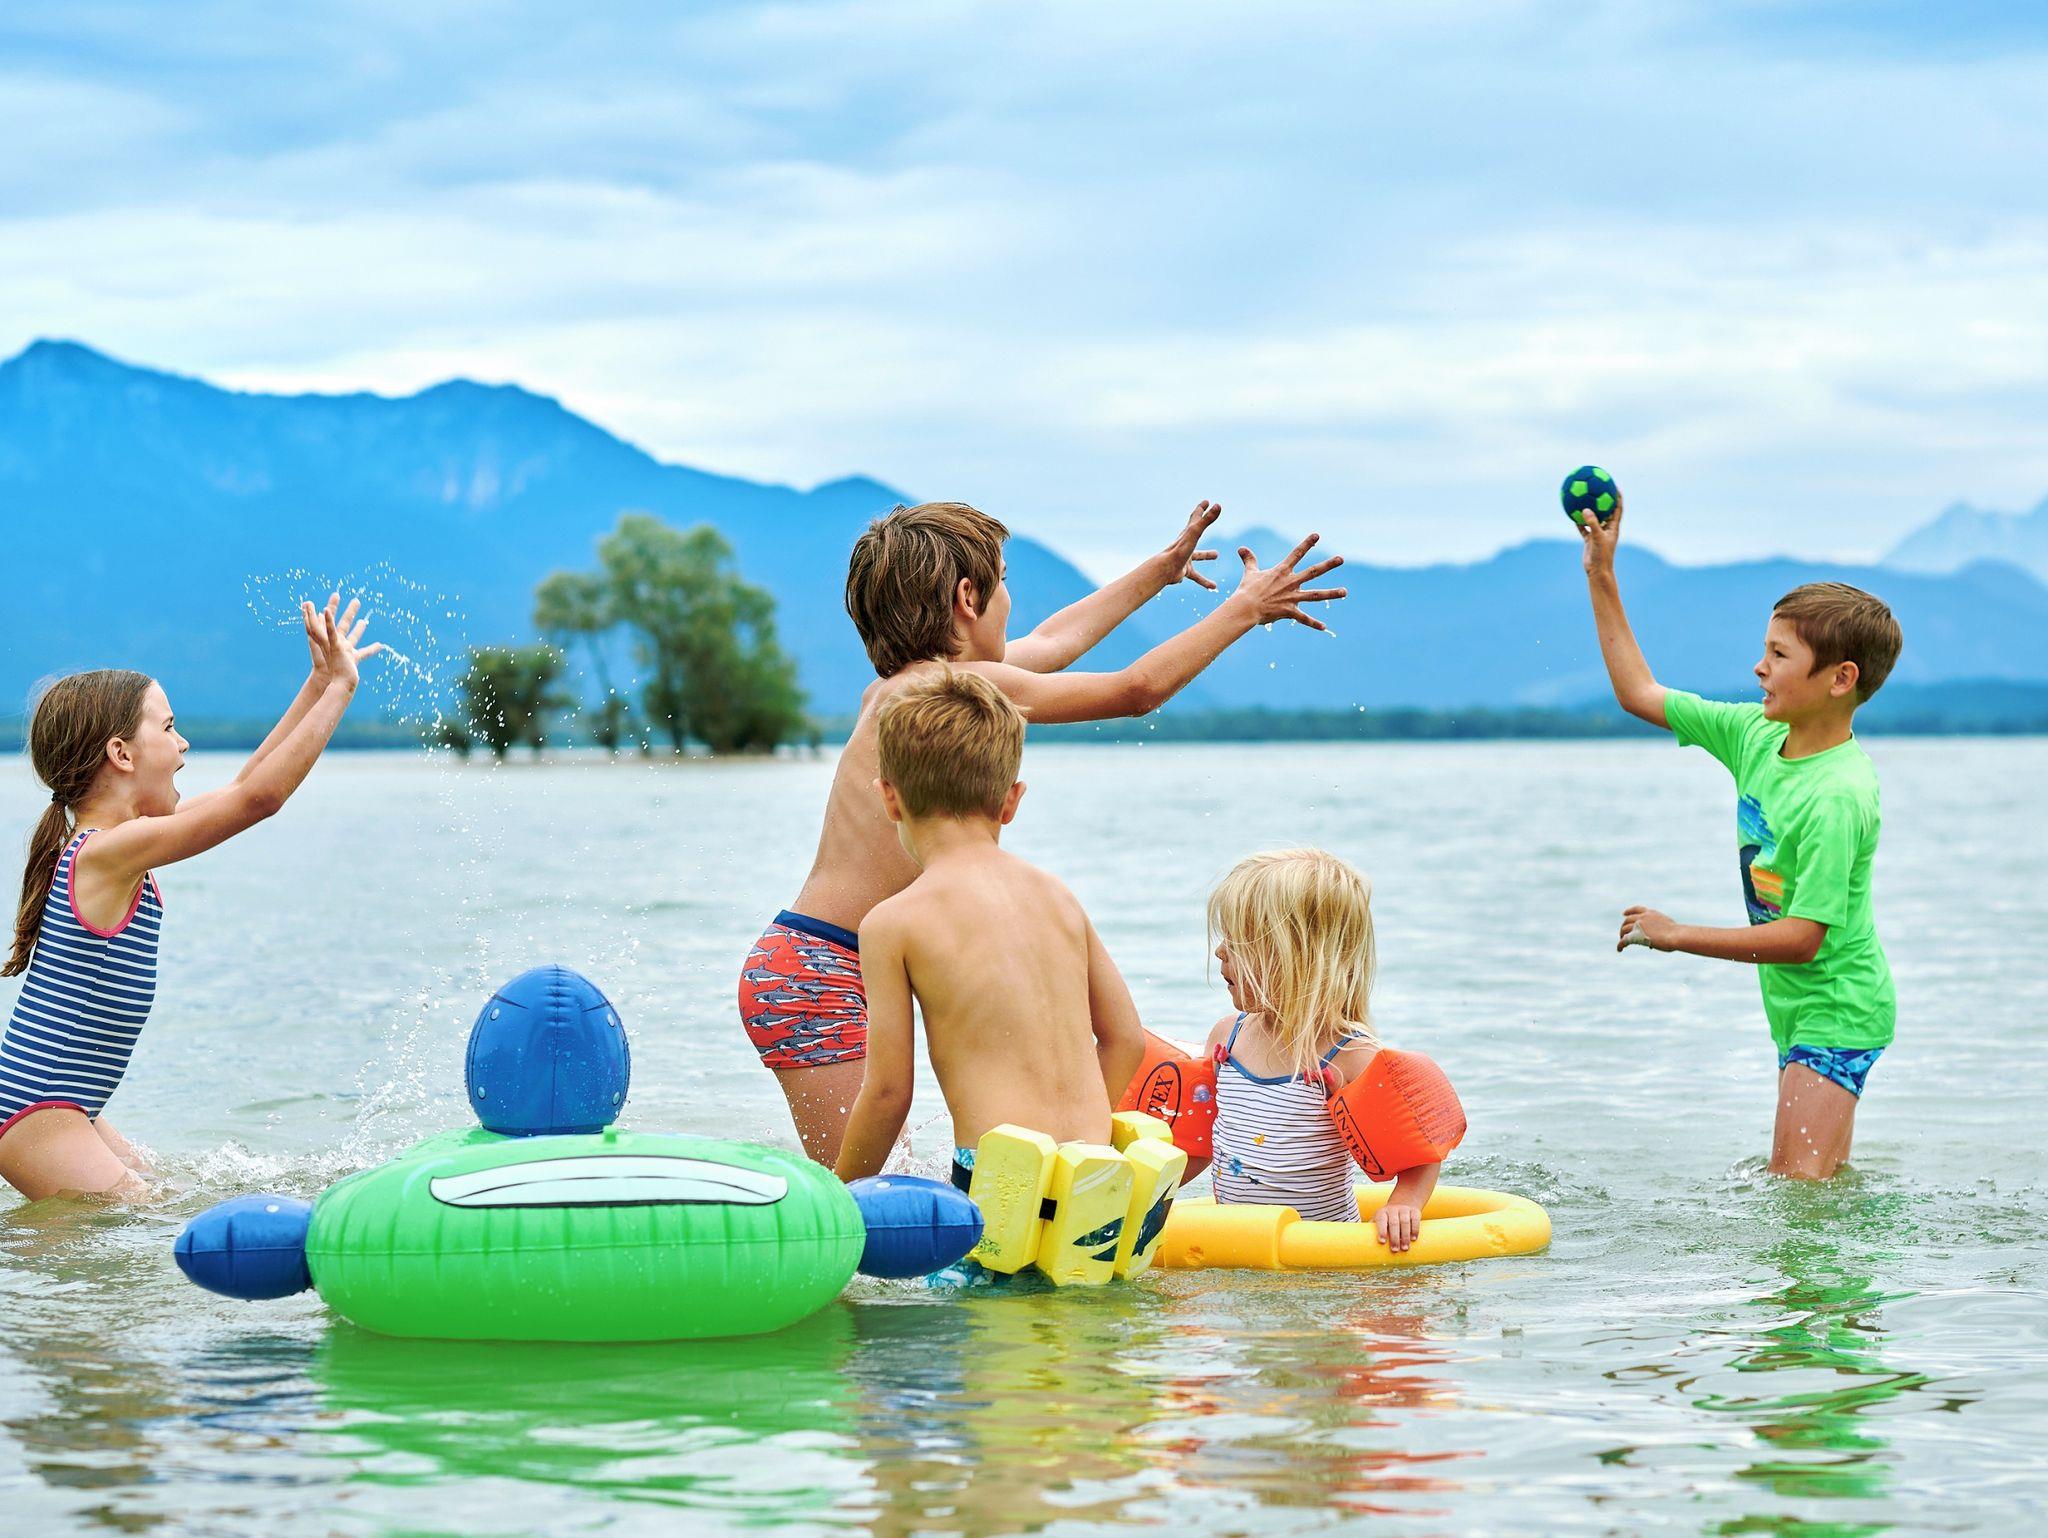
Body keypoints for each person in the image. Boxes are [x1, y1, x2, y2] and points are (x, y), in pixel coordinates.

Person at [744, 498, 1346, 1162]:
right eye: (1004, 582)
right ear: (968, 598)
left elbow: (1058, 642)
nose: (1011, 601)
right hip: (820, 971)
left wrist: (1159, 572)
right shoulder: (938, 693)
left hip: (816, 960)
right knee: (856, 1196)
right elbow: (1137, 690)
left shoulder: (907, 689)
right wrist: (1244, 609)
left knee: (883, 1180)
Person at [0, 595, 381, 1201]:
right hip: (39, 1111)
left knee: (171, 1195)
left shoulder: (120, 845)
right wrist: (342, 689)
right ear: (121, 754)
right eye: (169, 728)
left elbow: (244, 783)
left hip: (69, 1105)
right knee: (147, 1216)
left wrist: (316, 683)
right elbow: (259, 800)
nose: (183, 745)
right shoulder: (105, 852)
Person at [1576, 494, 1902, 1178]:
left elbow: (1803, 937)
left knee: (1795, 1190)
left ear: (1841, 679)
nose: (1760, 667)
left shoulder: (1837, 795)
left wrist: (1676, 935)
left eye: (1779, 655)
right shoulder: (1755, 734)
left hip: (1837, 1008)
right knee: (1817, 1191)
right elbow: (1639, 693)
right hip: (1799, 1008)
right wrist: (1601, 573)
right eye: (1765, 650)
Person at [832, 670, 1145, 1185]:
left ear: (889, 797)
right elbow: (1126, 1039)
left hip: (997, 1174)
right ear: (1011, 800)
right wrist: (1080, 1149)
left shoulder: (892, 921)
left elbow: (889, 1093)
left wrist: (837, 1195)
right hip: (1092, 1172)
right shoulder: (1058, 896)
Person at [1180, 849, 1438, 1253]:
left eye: (1237, 941)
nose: (1220, 952)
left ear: (1295, 953)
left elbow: (1418, 1154)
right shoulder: (1226, 1039)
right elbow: (1199, 1142)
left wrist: (1404, 1203)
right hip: (1239, 1246)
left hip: (1322, 1255)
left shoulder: (1350, 1057)